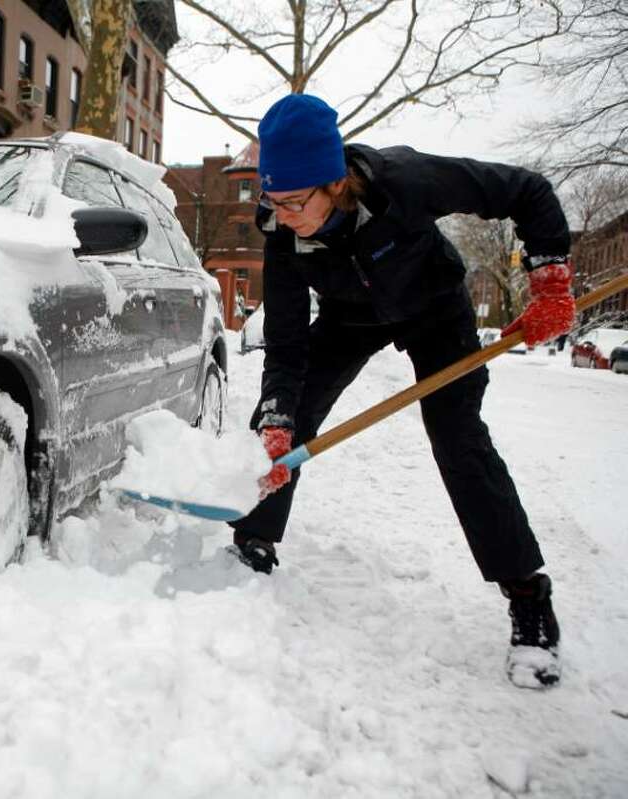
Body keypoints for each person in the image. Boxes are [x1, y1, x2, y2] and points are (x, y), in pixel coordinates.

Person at [233, 94, 573, 689]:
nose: (281, 213)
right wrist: (278, 414)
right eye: (271, 199)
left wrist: (548, 280)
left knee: (458, 437)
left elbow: (527, 190)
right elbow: (286, 342)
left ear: (334, 182)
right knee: (283, 420)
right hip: (349, 317)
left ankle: (528, 598)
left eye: (292, 201)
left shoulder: (407, 179)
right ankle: (251, 540)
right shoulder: (282, 233)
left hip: (434, 310)